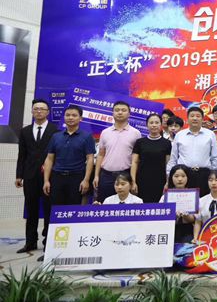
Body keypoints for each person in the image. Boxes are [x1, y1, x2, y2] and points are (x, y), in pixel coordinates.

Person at [42, 105, 95, 261]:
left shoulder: (86, 137)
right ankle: (49, 250)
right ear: (64, 117)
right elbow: (49, 159)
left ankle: (70, 248)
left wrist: (86, 180)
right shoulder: (56, 136)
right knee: (54, 213)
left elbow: (90, 159)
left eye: (74, 115)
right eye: (68, 115)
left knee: (73, 213)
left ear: (80, 118)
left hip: (76, 178)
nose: (70, 118)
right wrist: (46, 180)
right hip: (57, 178)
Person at [15, 99, 59, 254]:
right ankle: (30, 242)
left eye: (42, 109)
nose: (39, 111)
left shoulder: (55, 131)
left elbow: (57, 154)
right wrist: (19, 175)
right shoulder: (25, 131)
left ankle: (48, 243)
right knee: (31, 209)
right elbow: (22, 155)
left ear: (48, 112)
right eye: (36, 109)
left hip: (49, 176)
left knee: (48, 209)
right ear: (32, 111)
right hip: (30, 175)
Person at [93, 101, 142, 202]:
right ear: (113, 113)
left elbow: (136, 159)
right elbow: (101, 155)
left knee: (124, 206)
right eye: (117, 110)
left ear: (129, 113)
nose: (120, 112)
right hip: (106, 175)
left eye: (123, 110)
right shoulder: (105, 132)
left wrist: (133, 180)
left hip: (126, 175)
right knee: (104, 204)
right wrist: (96, 176)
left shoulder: (136, 133)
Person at [167, 106, 217, 197]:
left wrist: (214, 176)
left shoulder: (210, 134)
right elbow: (173, 158)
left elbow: (214, 157)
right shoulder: (180, 135)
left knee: (204, 201)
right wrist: (169, 175)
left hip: (204, 174)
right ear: (187, 119)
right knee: (185, 201)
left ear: (202, 119)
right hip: (184, 175)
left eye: (198, 116)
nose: (195, 118)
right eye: (192, 116)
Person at [131, 113, 172, 203]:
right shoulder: (140, 142)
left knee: (158, 205)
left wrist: (167, 182)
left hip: (160, 180)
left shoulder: (167, 143)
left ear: (161, 125)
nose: (154, 125)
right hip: (142, 180)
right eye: (151, 123)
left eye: (157, 122)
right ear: (147, 125)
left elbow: (168, 164)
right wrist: (133, 181)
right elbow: (134, 162)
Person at [161, 165, 202, 243]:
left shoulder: (193, 195)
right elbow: (160, 216)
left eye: (183, 176)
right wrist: (173, 216)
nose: (180, 179)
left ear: (188, 177)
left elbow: (196, 219)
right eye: (176, 176)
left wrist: (186, 216)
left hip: (188, 230)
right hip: (169, 230)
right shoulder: (165, 197)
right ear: (171, 178)